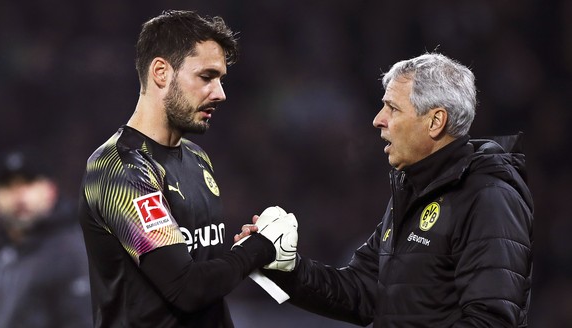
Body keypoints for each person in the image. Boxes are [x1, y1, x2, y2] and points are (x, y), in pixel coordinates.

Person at [239, 52, 534, 327]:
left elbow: (491, 320)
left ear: (435, 121)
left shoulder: (488, 197)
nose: (378, 119)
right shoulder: (414, 191)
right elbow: (361, 291)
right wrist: (281, 266)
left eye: (392, 108)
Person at [78, 10, 297, 328]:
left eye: (221, 79)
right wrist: (261, 247)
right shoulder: (119, 168)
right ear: (161, 73)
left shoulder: (197, 157)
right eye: (207, 77)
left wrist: (243, 247)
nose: (220, 93)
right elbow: (186, 287)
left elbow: (204, 274)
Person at [0, 149, 92, 328]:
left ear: (51, 190)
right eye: (8, 185)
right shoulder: (5, 256)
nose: (19, 195)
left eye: (29, 182)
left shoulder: (72, 249)